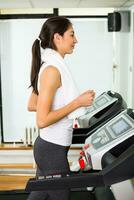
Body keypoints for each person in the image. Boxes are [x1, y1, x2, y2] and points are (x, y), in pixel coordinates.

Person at [27, 16, 95, 200]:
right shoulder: (52, 70)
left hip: (49, 147)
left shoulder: (49, 65)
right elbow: (42, 120)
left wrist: (63, 107)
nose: (76, 40)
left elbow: (33, 104)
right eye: (72, 34)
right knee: (60, 195)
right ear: (58, 38)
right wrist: (77, 103)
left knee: (41, 194)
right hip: (51, 149)